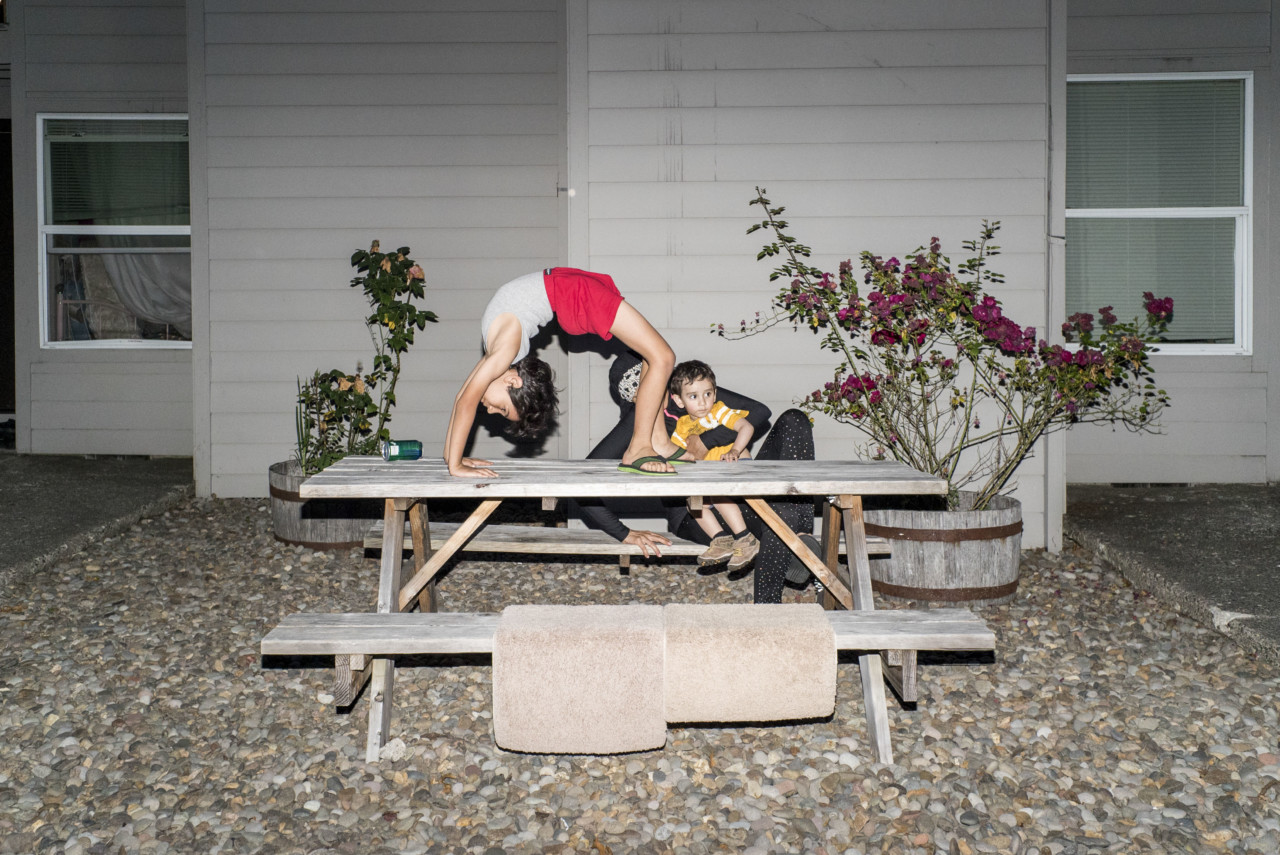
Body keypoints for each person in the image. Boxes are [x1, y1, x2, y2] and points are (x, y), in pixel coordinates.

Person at [576, 352, 817, 604]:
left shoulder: (693, 394)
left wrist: (706, 440)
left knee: (794, 420)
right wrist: (624, 533)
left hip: (737, 483)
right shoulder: (635, 424)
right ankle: (774, 596)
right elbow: (583, 481)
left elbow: (758, 412)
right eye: (648, 385)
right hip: (697, 512)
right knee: (782, 514)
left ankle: (799, 535)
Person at [443, 268, 676, 478]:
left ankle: (640, 447)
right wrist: (453, 458)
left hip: (571, 291)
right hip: (565, 286)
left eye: (502, 408)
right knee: (654, 355)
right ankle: (657, 441)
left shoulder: (503, 353)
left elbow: (465, 402)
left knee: (661, 357)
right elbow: (461, 398)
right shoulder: (498, 354)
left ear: (513, 381)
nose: (490, 410)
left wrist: (455, 465)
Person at [666, 360, 759, 572]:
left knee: (717, 495)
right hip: (711, 475)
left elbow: (746, 427)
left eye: (707, 394)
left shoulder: (719, 412)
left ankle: (745, 538)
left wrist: (735, 450)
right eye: (693, 396)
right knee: (694, 503)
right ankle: (721, 540)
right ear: (679, 400)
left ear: (715, 394)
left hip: (733, 466)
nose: (703, 402)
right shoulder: (682, 426)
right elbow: (678, 454)